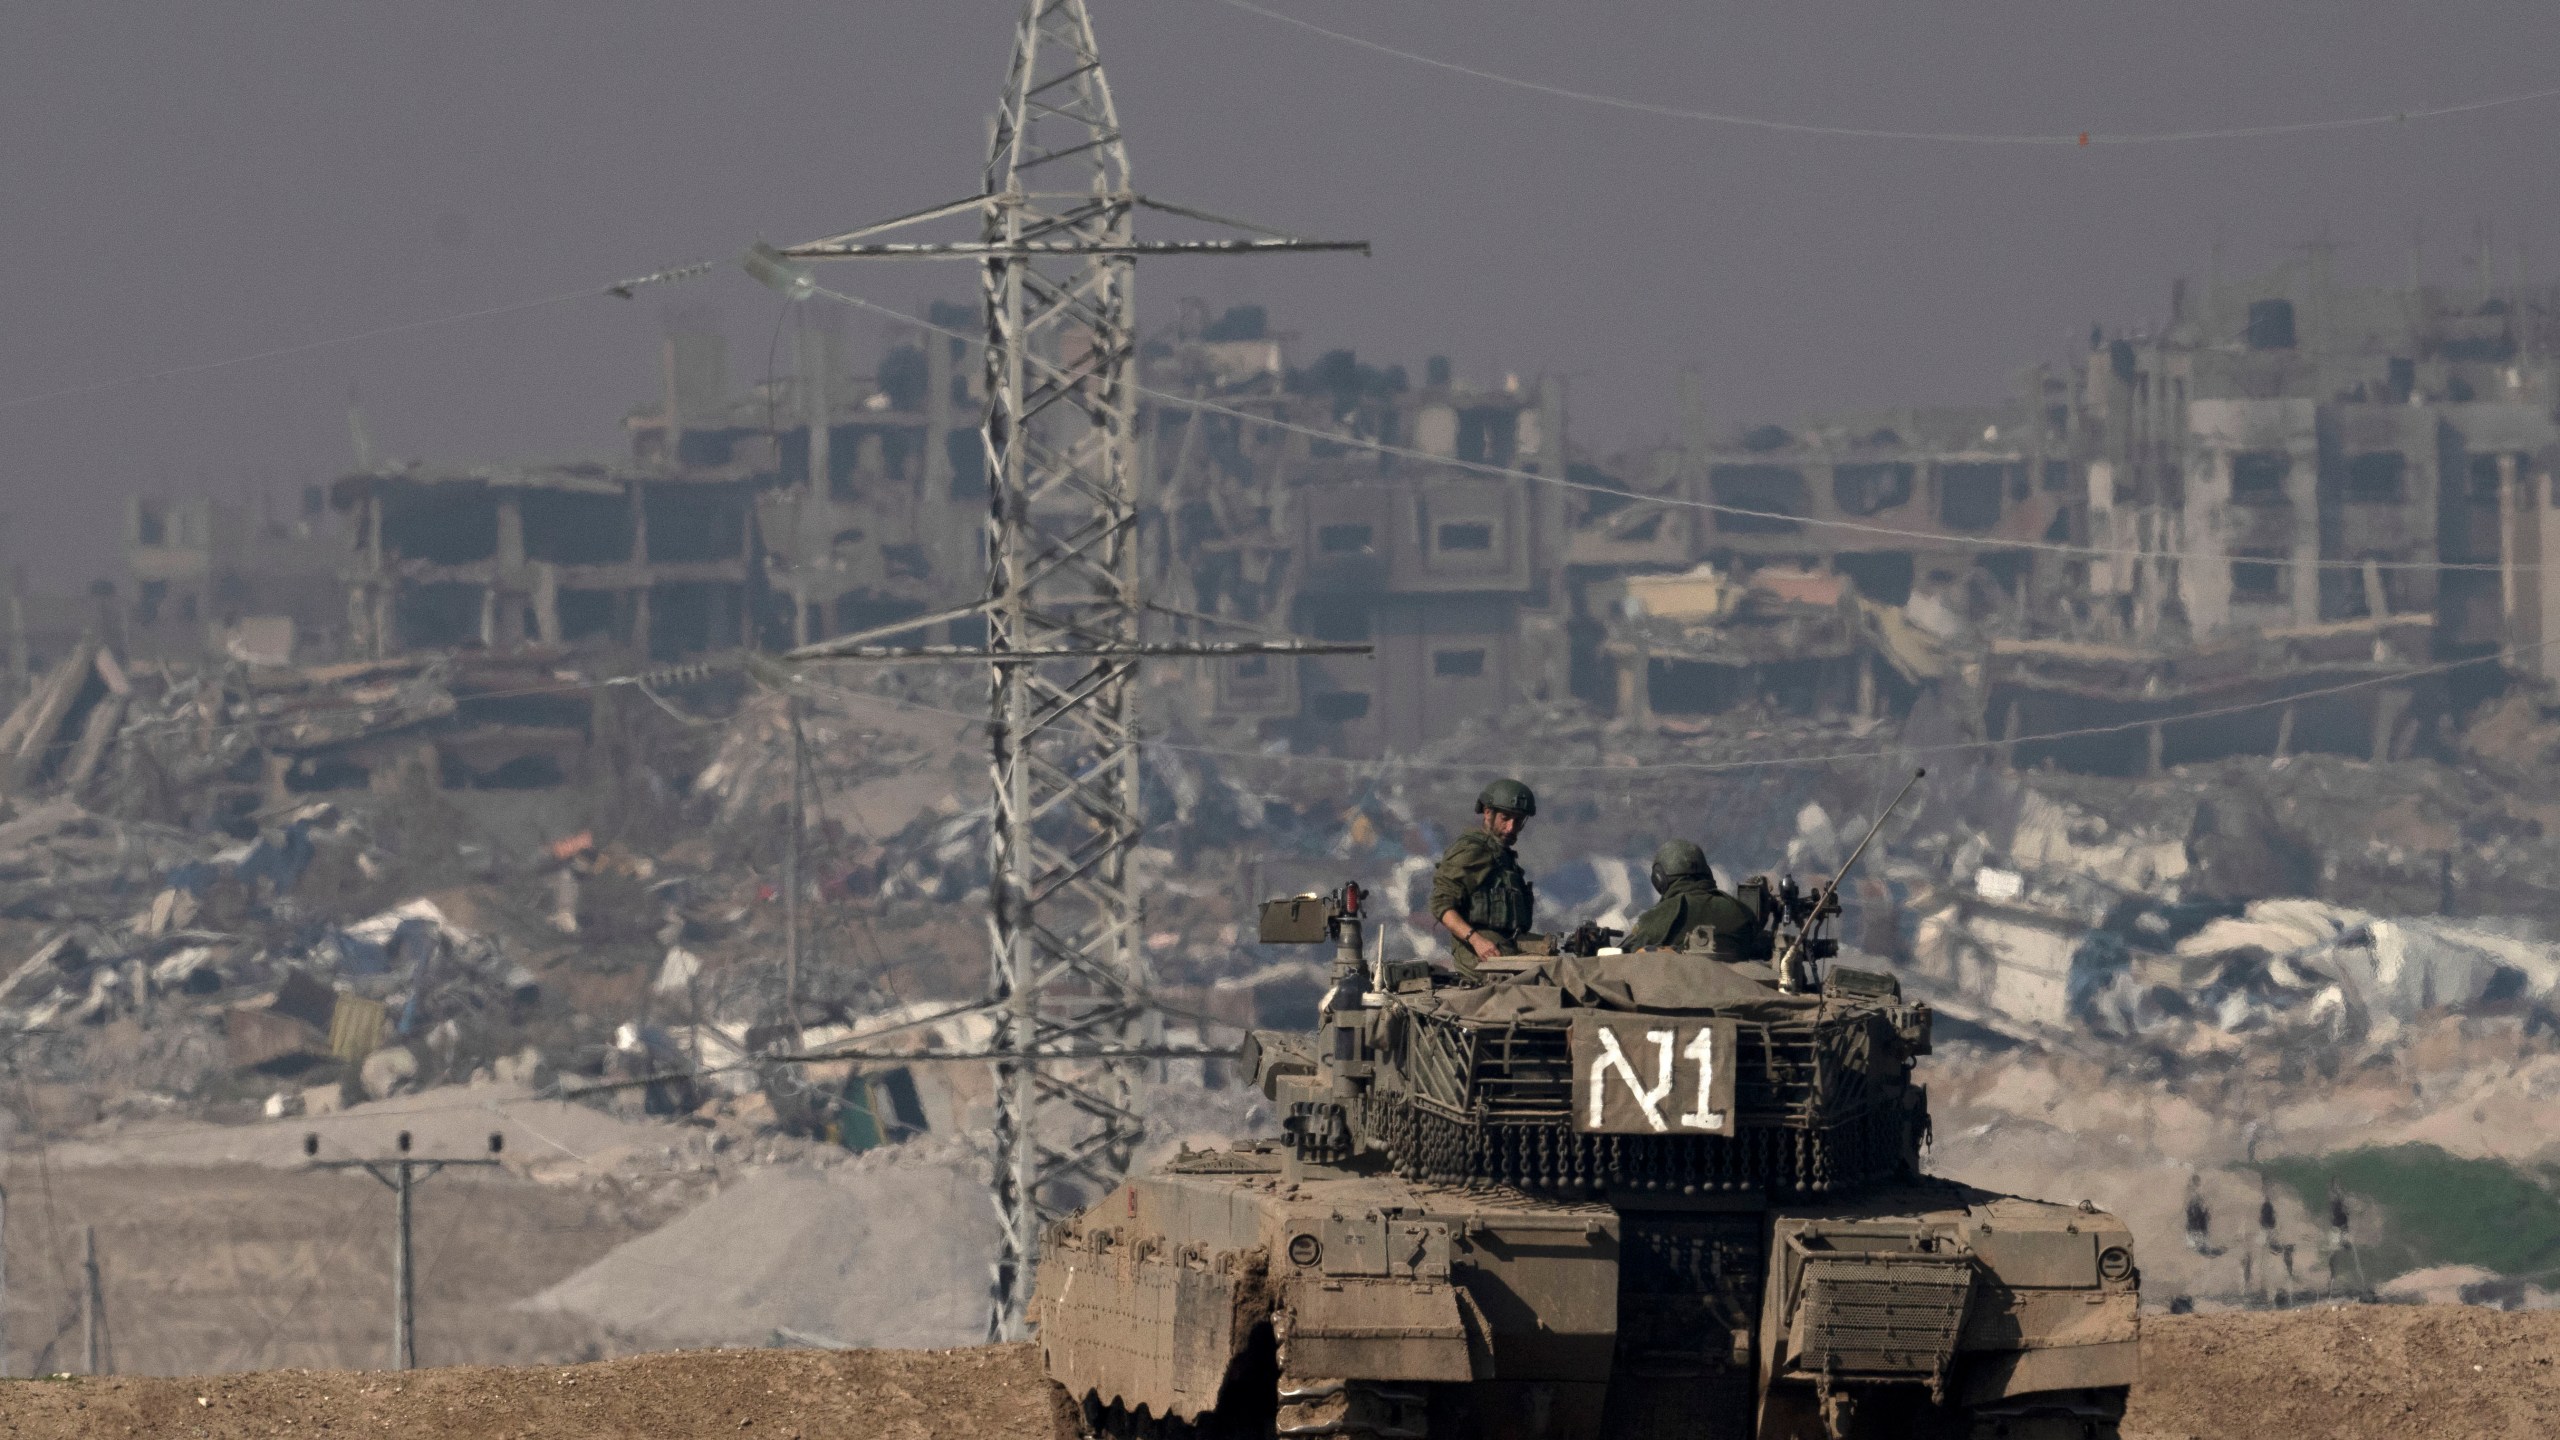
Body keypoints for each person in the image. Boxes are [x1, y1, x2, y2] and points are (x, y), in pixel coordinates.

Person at [1430, 779, 1537, 979]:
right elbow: (1441, 905)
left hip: (1508, 947)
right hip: (1483, 957)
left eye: (1518, 820)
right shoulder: (1473, 850)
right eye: (1505, 818)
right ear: (1488, 813)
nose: (1511, 828)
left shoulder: (1503, 857)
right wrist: (1476, 940)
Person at [1622, 839, 1754, 952]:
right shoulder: (1741, 912)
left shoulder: (1657, 919)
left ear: (1659, 878)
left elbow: (1623, 954)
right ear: (1707, 871)